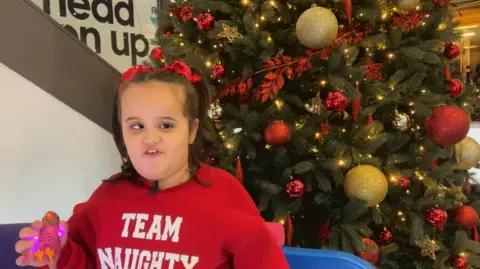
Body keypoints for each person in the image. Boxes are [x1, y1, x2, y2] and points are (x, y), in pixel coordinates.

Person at [14, 61, 290, 269]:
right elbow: (84, 261)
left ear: (192, 130)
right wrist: (59, 253)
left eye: (166, 125)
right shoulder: (106, 199)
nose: (150, 138)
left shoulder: (225, 195)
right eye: (136, 126)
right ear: (122, 131)